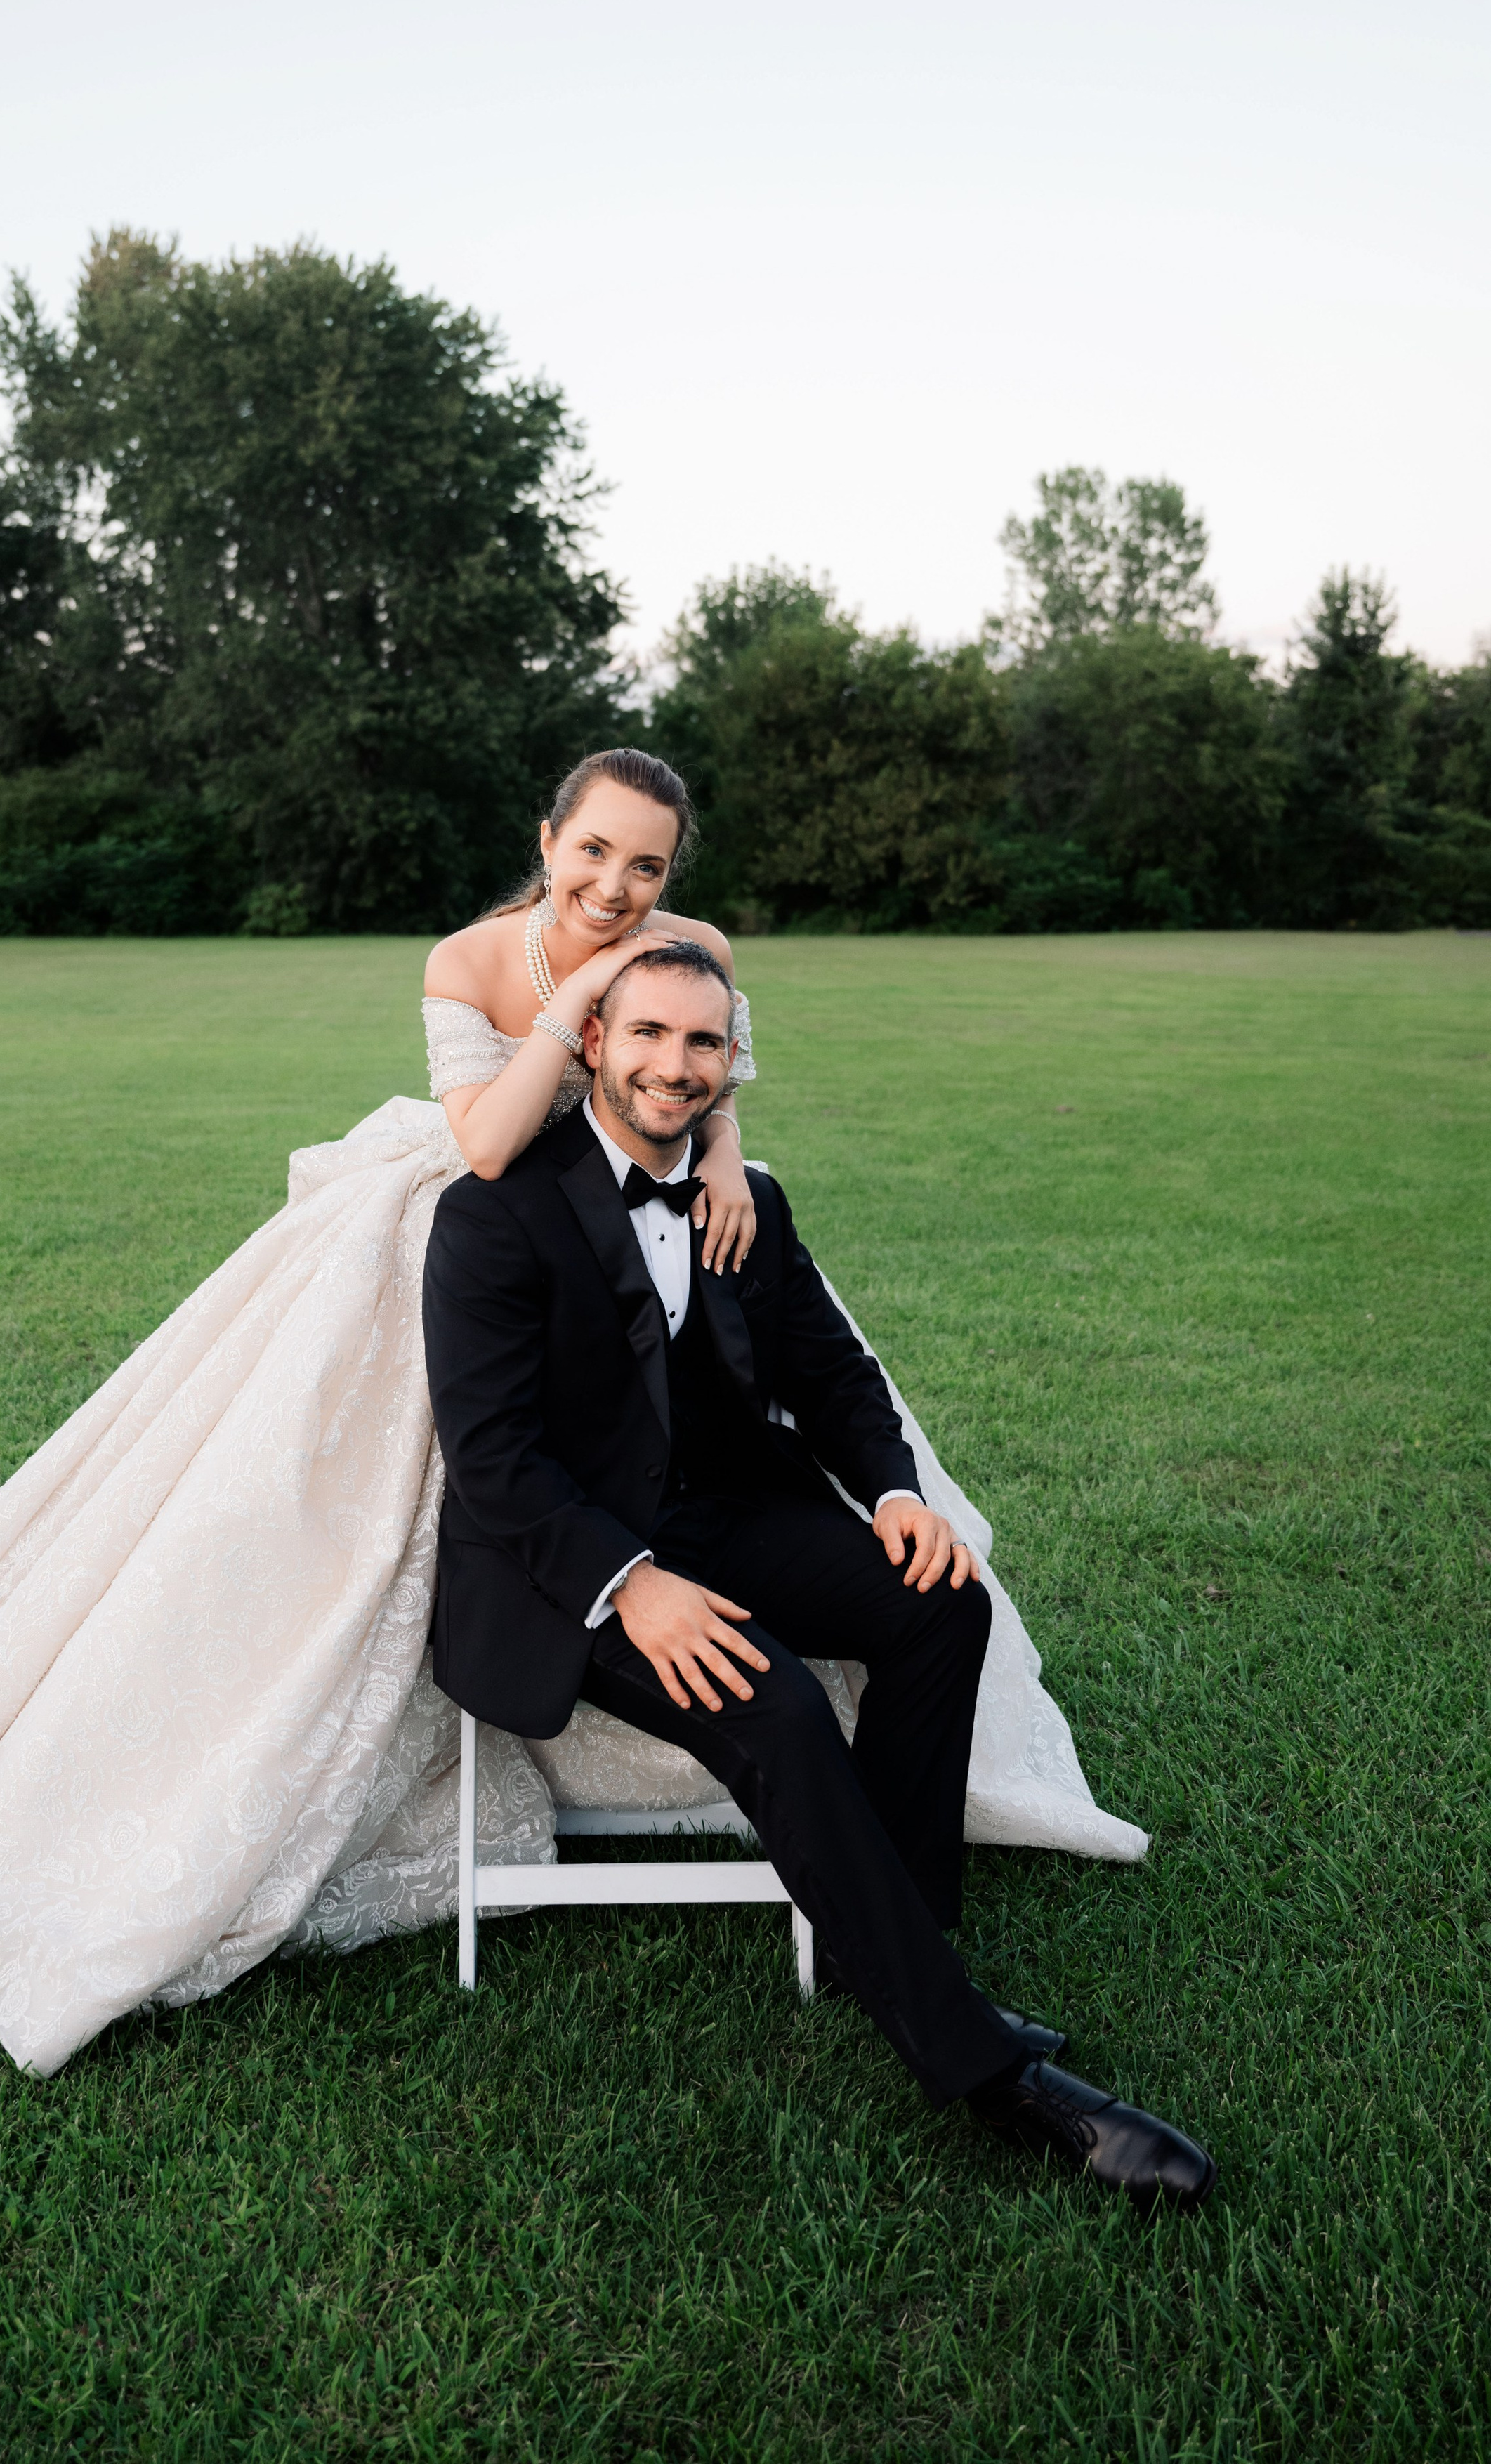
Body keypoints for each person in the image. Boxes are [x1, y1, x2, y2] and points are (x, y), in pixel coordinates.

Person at [0, 748, 1146, 2083]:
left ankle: (904, 1918)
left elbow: (740, 1157)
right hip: (521, 1234)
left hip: (668, 1287)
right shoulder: (479, 1001)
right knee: (589, 1571)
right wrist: (577, 1013)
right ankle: (960, 2043)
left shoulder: (689, 982)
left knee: (938, 1595)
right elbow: (488, 1184)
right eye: (594, 855)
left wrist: (726, 1169)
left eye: (646, 866)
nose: (616, 884)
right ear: (550, 842)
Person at [423, 934, 1215, 2210]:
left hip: (727, 1513)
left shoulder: (753, 1202)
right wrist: (630, 1580)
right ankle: (990, 2074)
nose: (675, 1067)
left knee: (942, 1601)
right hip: (566, 1561)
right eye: (647, 1036)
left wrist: (898, 1491)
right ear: (592, 1047)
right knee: (779, 1703)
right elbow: (495, 1458)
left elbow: (833, 1373)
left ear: (734, 1060)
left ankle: (880, 1938)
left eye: (703, 1042)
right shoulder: (491, 1213)